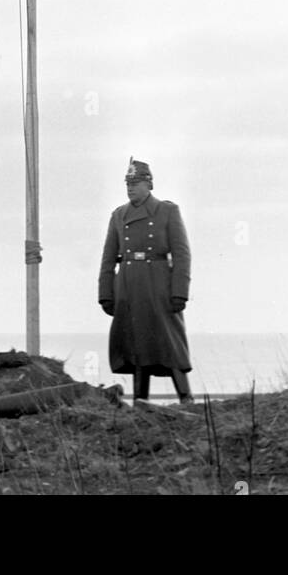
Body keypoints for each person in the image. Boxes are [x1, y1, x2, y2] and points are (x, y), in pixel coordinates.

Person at [98, 157, 193, 405]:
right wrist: (106, 293)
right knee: (136, 344)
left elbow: (181, 253)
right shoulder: (119, 215)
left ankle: (186, 398)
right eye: (128, 183)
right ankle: (140, 402)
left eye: (136, 183)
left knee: (169, 342)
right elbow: (108, 258)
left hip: (159, 284)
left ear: (149, 184)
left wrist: (179, 291)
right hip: (129, 287)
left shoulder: (167, 211)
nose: (130, 188)